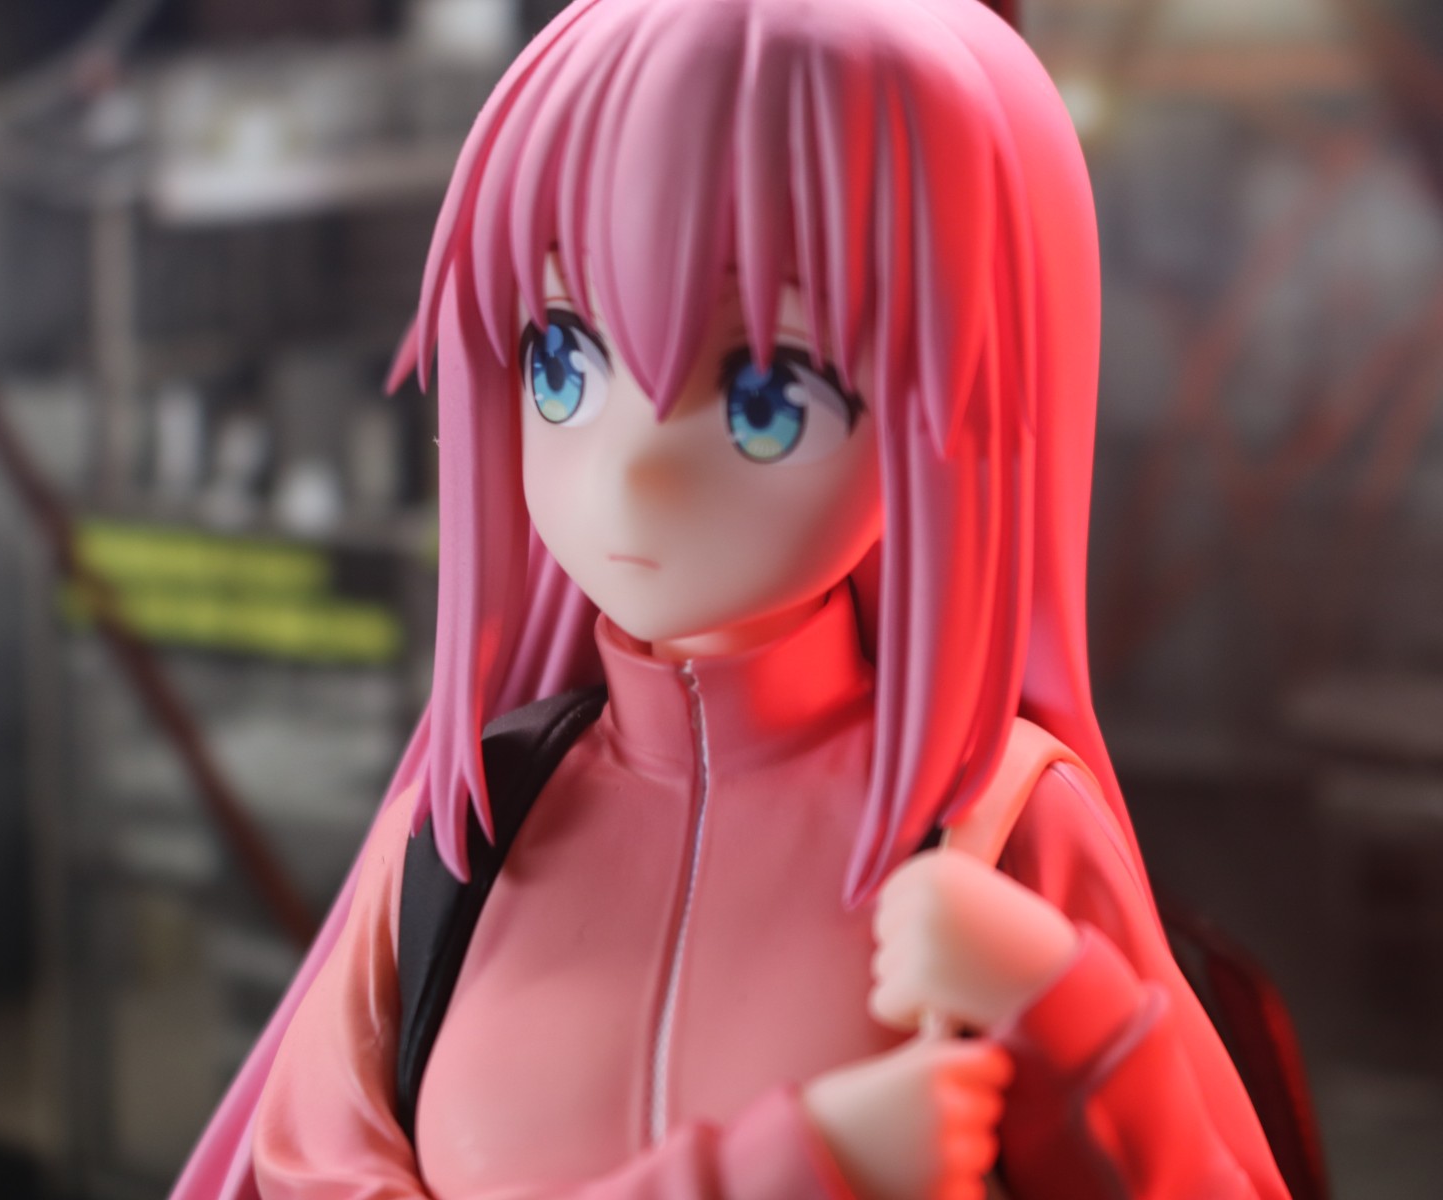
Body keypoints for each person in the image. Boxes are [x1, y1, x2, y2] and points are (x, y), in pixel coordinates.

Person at [172, 1, 1290, 1196]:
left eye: (769, 392)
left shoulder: (1003, 827)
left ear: (957, 410)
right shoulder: (462, 840)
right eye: (563, 360)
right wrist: (786, 1172)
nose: (631, 469)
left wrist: (1076, 1027)